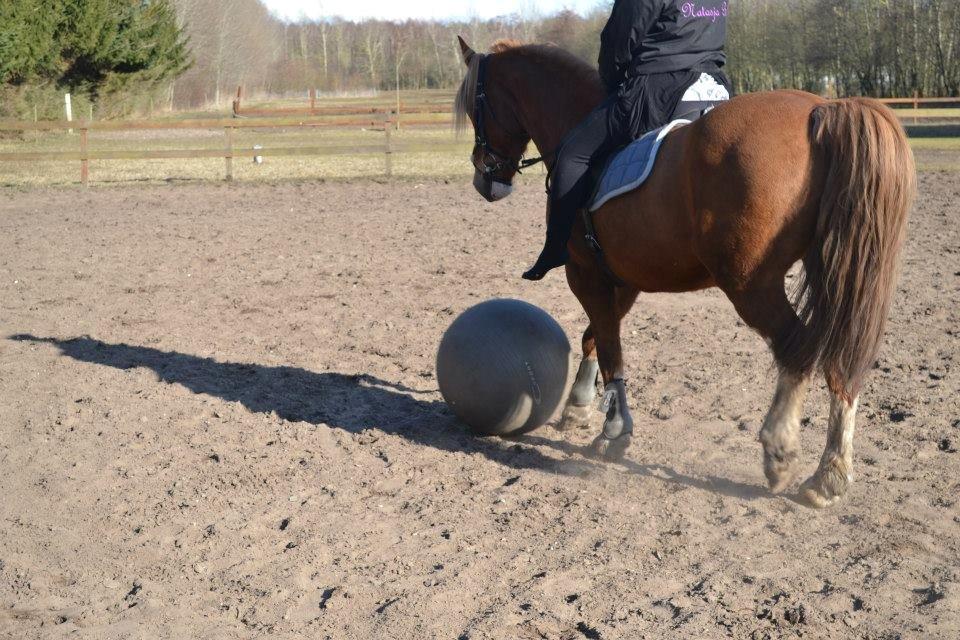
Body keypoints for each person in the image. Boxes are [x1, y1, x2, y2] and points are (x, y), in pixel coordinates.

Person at [522, 0, 733, 281]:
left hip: (659, 90)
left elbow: (619, 41)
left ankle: (556, 248)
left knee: (572, 154)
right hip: (715, 88)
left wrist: (611, 85)